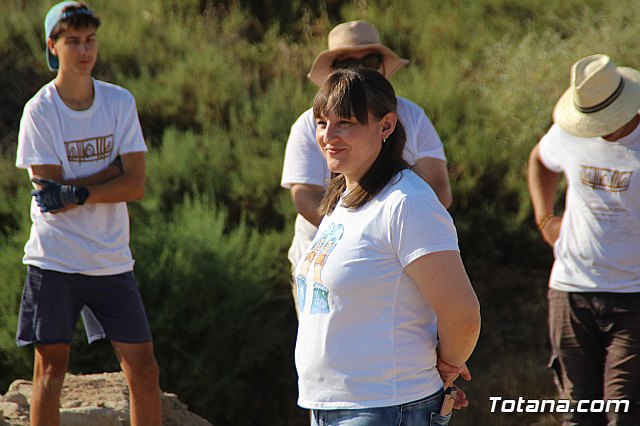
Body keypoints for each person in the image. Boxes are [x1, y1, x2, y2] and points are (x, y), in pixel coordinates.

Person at [294, 68, 480, 426]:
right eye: (321, 122)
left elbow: (463, 313)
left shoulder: (406, 202)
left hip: (384, 407)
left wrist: (447, 365)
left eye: (345, 122)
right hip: (335, 408)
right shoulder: (344, 200)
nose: (328, 136)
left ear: (386, 125)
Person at [15, 3, 161, 425]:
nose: (84, 50)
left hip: (111, 259)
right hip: (55, 258)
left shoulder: (118, 101)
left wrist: (78, 189)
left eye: (90, 40)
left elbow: (136, 184)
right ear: (53, 46)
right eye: (73, 41)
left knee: (144, 369)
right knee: (50, 373)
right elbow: (50, 197)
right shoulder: (39, 111)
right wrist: (108, 174)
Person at [281, 20, 453, 310]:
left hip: (396, 257)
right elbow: (304, 196)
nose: (359, 70)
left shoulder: (414, 116)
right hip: (321, 258)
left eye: (369, 61)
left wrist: (382, 242)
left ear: (387, 126)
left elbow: (439, 191)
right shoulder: (307, 125)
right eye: (348, 62)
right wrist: (357, 238)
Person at [528, 54, 640, 425]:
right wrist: (546, 219)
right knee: (577, 414)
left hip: (634, 295)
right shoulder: (569, 132)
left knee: (623, 413)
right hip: (570, 290)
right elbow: (540, 160)